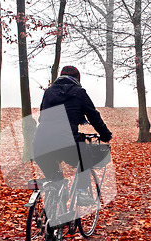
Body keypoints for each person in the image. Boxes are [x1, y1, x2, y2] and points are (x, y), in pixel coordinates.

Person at [33, 66, 112, 207]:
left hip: (40, 144)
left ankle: (54, 209)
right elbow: (93, 116)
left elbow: (42, 116)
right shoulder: (79, 93)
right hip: (67, 142)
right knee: (85, 156)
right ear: (78, 78)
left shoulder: (49, 92)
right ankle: (82, 191)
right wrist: (105, 135)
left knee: (54, 178)